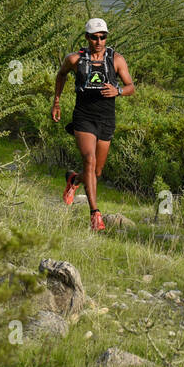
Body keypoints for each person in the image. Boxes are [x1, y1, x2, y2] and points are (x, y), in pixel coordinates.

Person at [51, 17, 134, 231]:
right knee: (89, 159)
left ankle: (74, 179)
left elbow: (131, 86)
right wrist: (57, 102)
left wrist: (118, 91)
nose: (99, 41)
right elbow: (61, 76)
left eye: (103, 37)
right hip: (84, 116)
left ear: (106, 37)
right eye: (95, 37)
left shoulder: (116, 59)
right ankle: (95, 214)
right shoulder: (75, 60)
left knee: (96, 172)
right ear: (87, 37)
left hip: (106, 119)